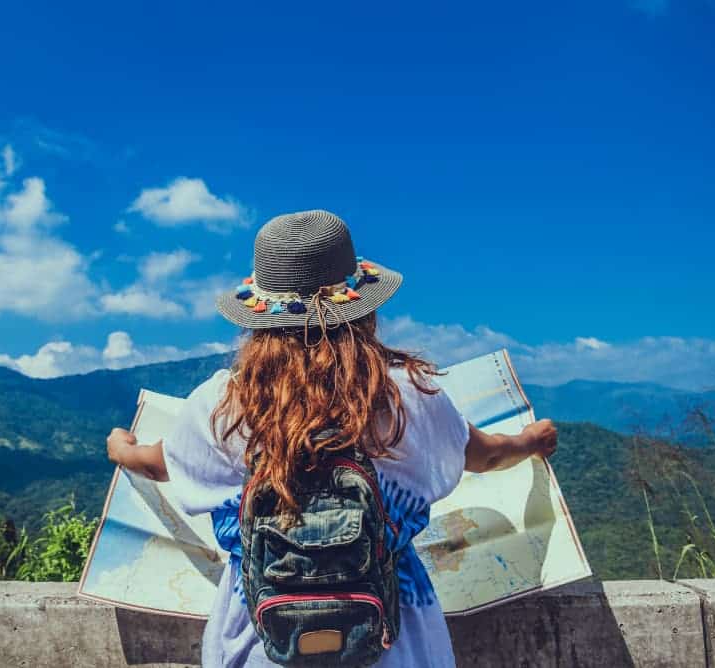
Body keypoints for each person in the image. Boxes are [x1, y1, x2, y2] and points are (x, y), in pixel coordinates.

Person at [106, 210, 557, 667]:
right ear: (363, 306)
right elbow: (486, 455)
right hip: (391, 640)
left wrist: (120, 447)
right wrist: (530, 439)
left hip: (261, 639)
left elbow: (156, 463)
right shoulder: (407, 396)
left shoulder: (222, 403)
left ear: (258, 316)